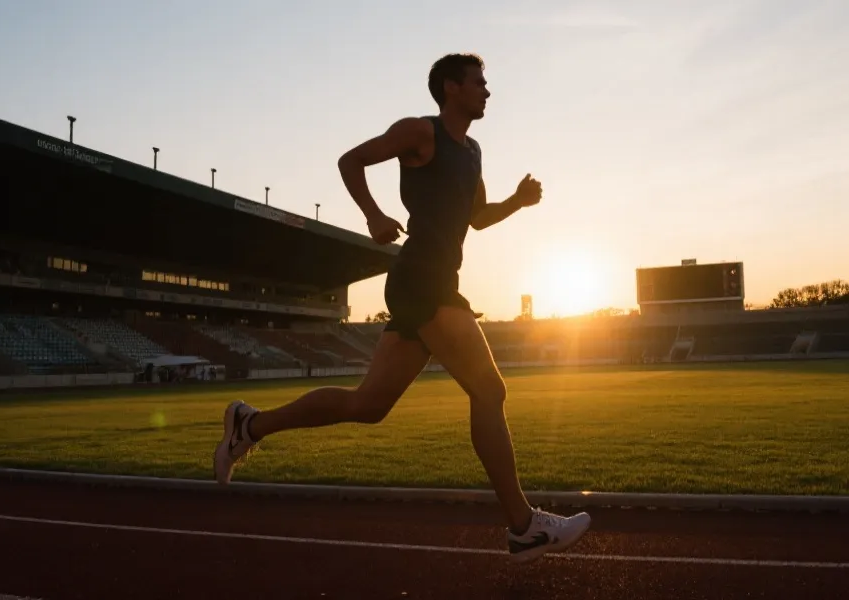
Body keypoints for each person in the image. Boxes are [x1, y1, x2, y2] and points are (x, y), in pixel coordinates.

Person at [213, 53, 591, 564]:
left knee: (367, 406)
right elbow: (350, 160)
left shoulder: (473, 150)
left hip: (436, 281)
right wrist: (373, 215)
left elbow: (478, 217)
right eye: (479, 82)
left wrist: (517, 202)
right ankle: (524, 527)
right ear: (451, 87)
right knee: (490, 390)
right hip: (421, 279)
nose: (487, 90)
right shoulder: (419, 131)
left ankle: (249, 425)